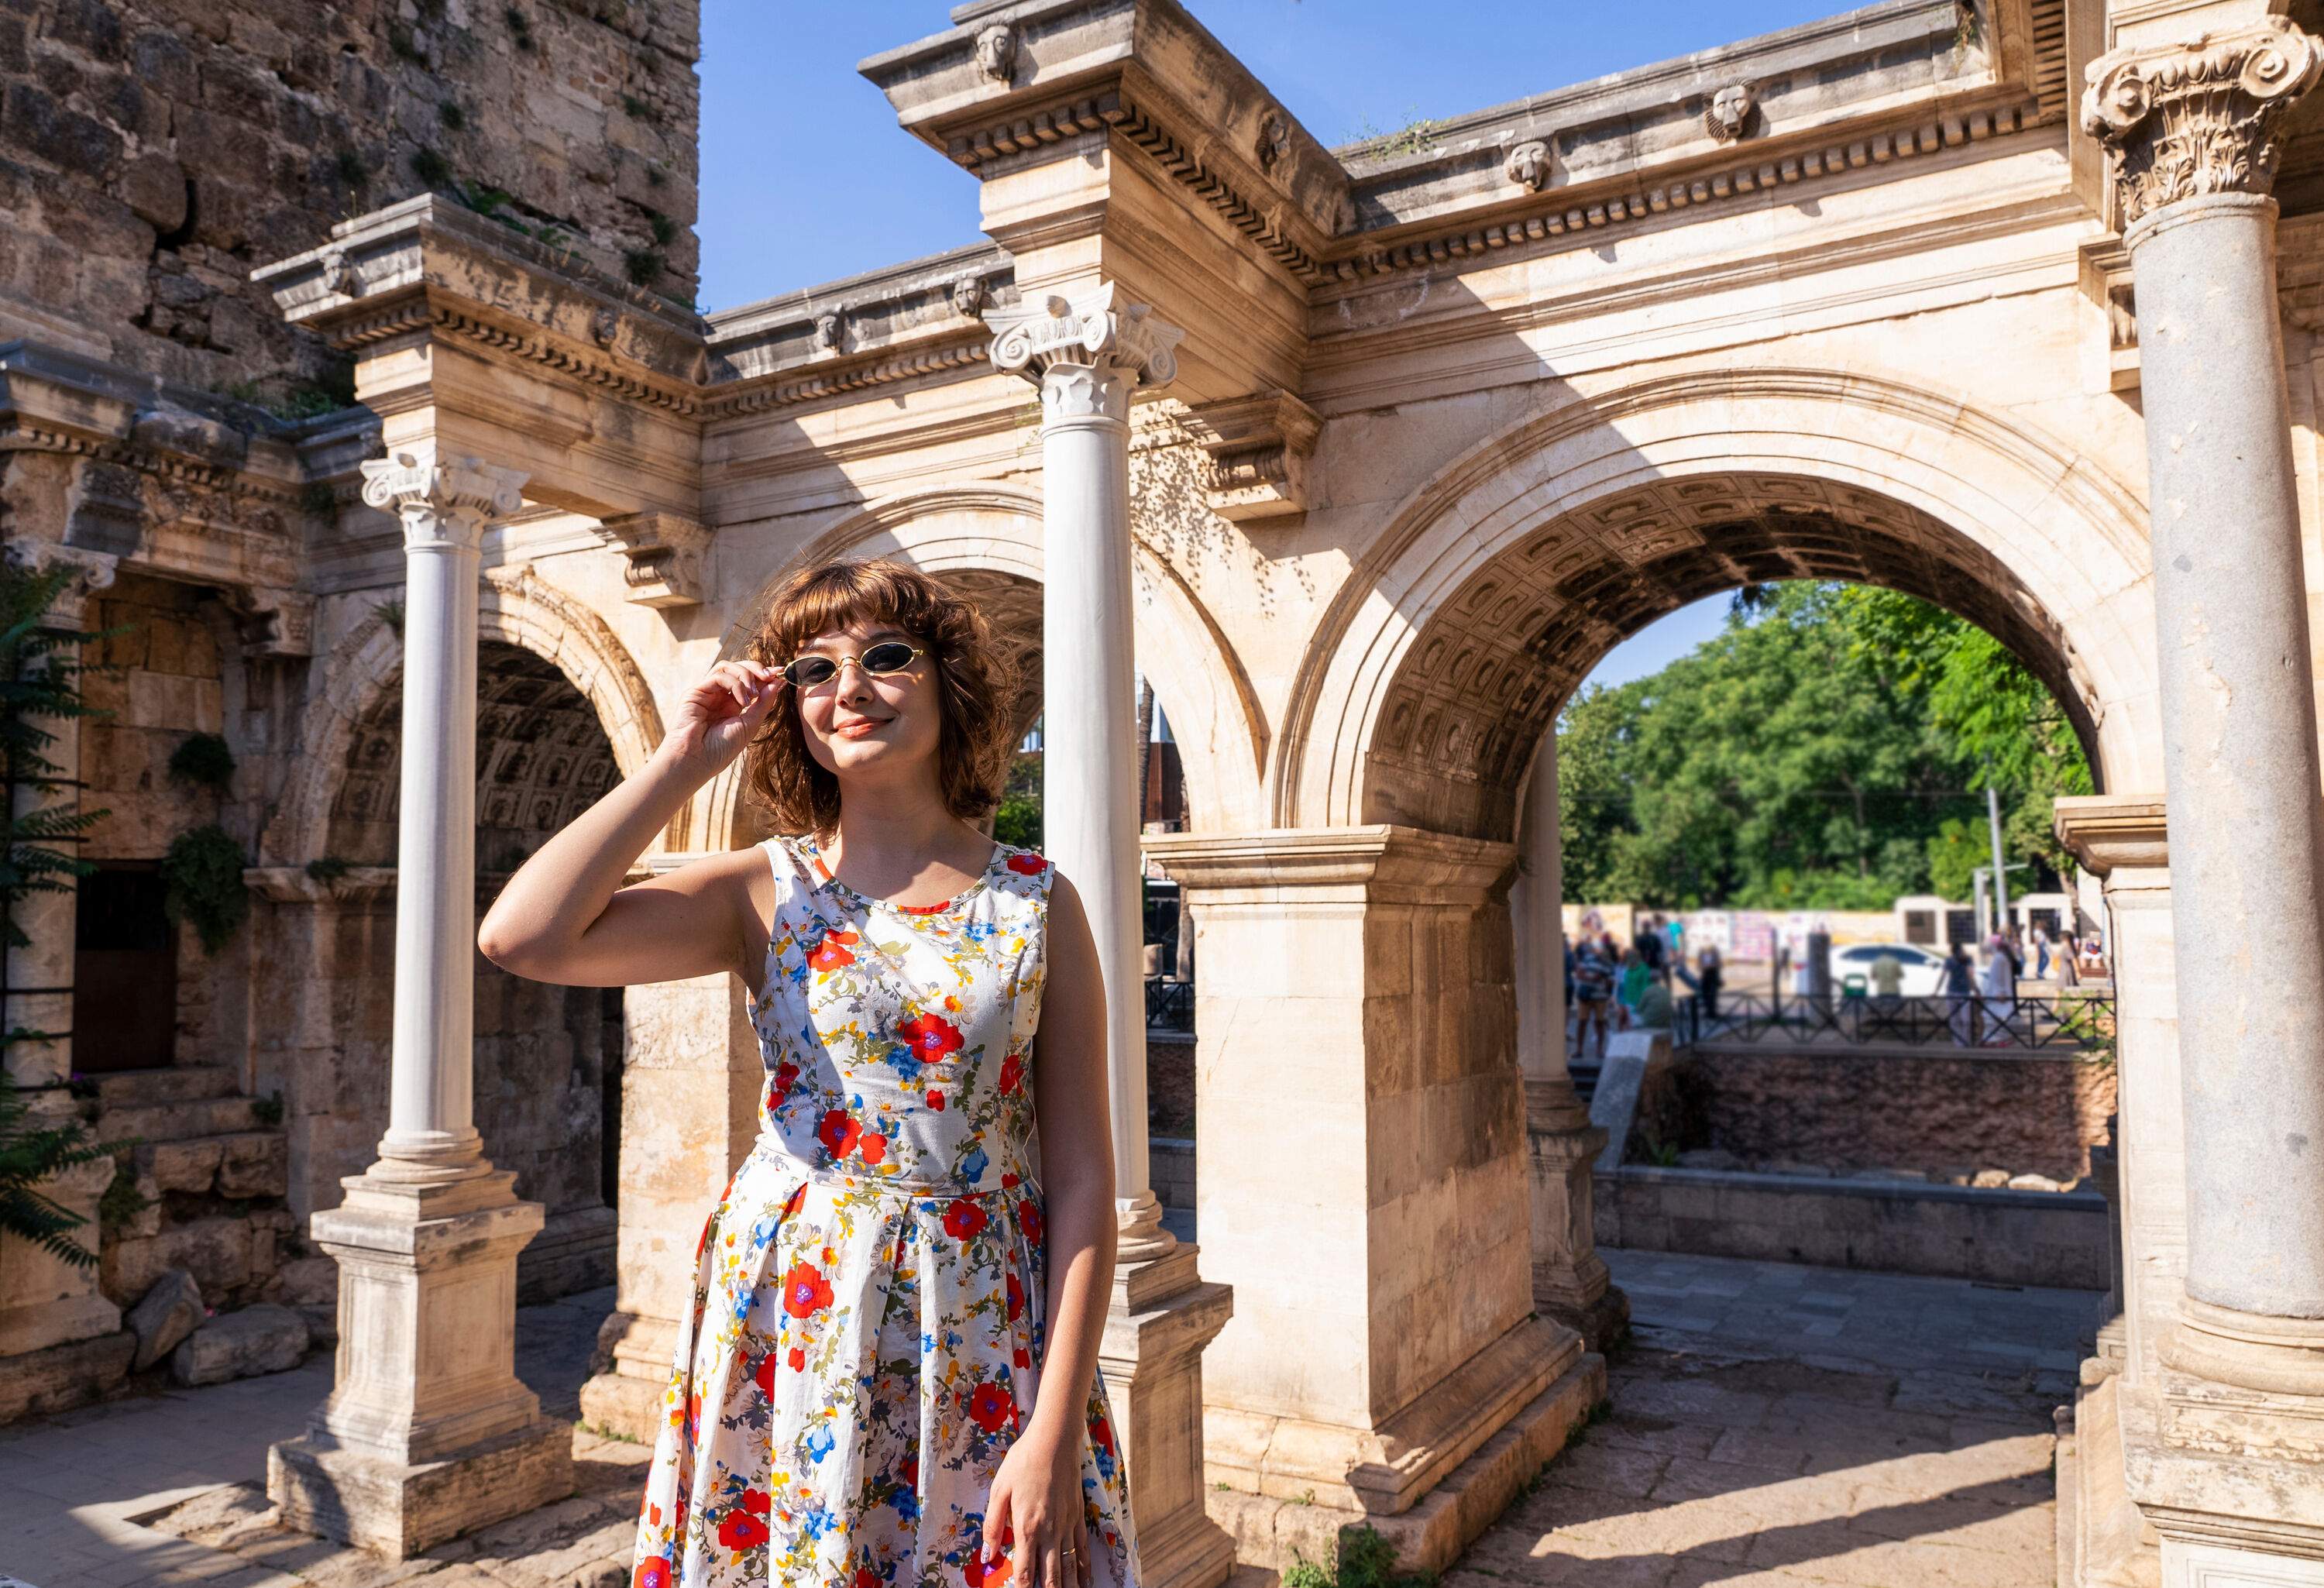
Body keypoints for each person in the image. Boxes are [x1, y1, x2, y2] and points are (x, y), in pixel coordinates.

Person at [476, 559, 1137, 1588]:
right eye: (816, 668)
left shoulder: (1035, 902)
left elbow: (1087, 1182)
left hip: (981, 1323)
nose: (851, 686)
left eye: (885, 656)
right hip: (793, 1321)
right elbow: (522, 935)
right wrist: (686, 759)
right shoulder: (762, 890)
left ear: (947, 682)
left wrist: (1051, 1429)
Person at [1571, 934, 1614, 1060]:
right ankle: (1579, 1049)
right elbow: (1579, 973)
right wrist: (1593, 978)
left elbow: (1610, 981)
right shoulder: (1587, 959)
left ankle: (1599, 1050)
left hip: (1601, 997)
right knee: (1582, 1021)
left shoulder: (1608, 963)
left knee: (1599, 1022)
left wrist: (1603, 980)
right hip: (1586, 996)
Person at [1979, 933, 2018, 1047]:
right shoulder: (2001, 957)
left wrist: (1999, 992)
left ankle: (1997, 1040)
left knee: (1991, 1018)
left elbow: (1998, 978)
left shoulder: (1999, 958)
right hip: (1997, 994)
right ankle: (1995, 1040)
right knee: (1991, 1019)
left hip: (1997, 996)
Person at [1942, 940, 1975, 1045]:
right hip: (1964, 992)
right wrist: (1976, 989)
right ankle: (1965, 1042)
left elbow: (1942, 976)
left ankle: (1958, 1043)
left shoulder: (1949, 960)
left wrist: (1935, 990)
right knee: (1966, 1020)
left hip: (1952, 992)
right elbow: (1971, 976)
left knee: (1955, 1020)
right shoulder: (1968, 959)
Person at [1697, 945, 1724, 1023]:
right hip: (1705, 975)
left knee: (1713, 995)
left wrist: (1711, 966)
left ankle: (1712, 1013)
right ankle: (1708, 1012)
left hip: (1713, 975)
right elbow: (1698, 965)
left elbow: (1720, 964)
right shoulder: (1701, 953)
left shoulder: (1715, 952)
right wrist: (1704, 967)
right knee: (1706, 995)